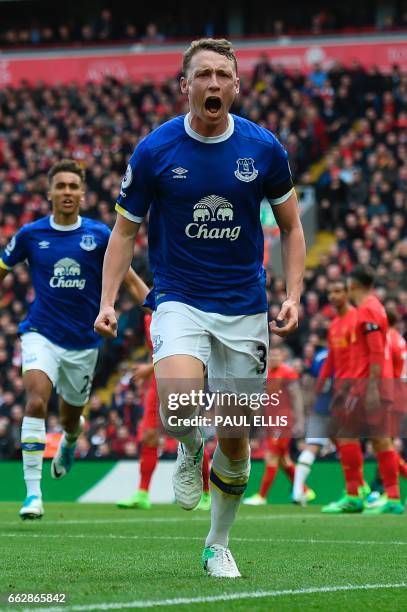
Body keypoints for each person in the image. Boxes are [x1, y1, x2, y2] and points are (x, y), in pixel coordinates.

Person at [95, 38, 305, 577]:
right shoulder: (155, 150)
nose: (213, 84)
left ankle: (217, 542)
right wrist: (107, 301)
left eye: (222, 75)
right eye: (203, 75)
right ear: (185, 86)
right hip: (179, 299)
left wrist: (293, 295)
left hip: (244, 307)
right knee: (179, 406)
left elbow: (292, 227)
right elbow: (123, 232)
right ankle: (190, 447)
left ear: (236, 86)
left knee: (236, 439)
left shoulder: (264, 149)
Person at [0, 159, 148, 520]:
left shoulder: (98, 236)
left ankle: (68, 440)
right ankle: (33, 494)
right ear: (49, 192)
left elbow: (128, 280)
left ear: (82, 193)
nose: (67, 192)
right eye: (61, 186)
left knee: (70, 418)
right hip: (41, 334)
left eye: (73, 186)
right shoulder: (31, 235)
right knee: (35, 401)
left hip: (84, 343)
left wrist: (159, 310)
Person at [322, 265, 403, 515]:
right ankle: (393, 498)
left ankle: (354, 494)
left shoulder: (367, 309)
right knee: (380, 440)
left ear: (352, 285)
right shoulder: (373, 307)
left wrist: (370, 389)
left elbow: (377, 350)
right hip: (374, 384)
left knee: (345, 434)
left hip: (368, 385)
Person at [116, 312, 212, 511]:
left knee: (189, 434)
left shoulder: (180, 310)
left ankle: (205, 492)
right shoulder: (149, 315)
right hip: (156, 384)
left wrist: (148, 368)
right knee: (149, 435)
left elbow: (179, 352)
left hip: (181, 379)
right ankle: (142, 493)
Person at [293, 279, 360, 505]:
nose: (331, 296)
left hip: (337, 396)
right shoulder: (335, 329)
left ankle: (298, 491)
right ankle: (356, 489)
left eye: (337, 290)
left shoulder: (354, 322)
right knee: (351, 442)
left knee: (318, 444)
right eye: (330, 292)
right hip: (337, 397)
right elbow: (329, 369)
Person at [244, 346, 314, 505]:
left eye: (277, 355)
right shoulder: (265, 374)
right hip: (270, 422)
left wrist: (300, 421)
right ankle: (305, 491)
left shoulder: (288, 373)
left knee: (272, 457)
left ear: (282, 357)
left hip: (283, 422)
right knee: (284, 461)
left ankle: (261, 496)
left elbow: (297, 397)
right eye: (271, 355)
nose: (274, 358)